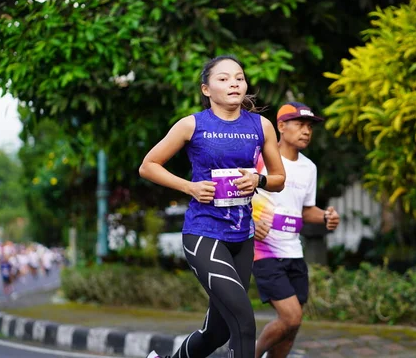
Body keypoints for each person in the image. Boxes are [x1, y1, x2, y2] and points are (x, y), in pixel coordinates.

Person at [140, 55, 286, 358]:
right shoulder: (192, 124)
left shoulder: (262, 126)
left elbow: (279, 179)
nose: (234, 83)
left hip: (242, 238)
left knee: (218, 330)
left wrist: (257, 180)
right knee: (244, 322)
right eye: (223, 78)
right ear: (206, 89)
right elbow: (148, 166)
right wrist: (189, 187)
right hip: (204, 233)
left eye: (239, 77)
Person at [251, 102, 340, 358]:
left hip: (294, 251)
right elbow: (237, 197)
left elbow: (305, 210)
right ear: (280, 126)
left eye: (310, 127)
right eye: (300, 124)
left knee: (293, 327)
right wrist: (250, 222)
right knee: (291, 317)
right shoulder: (259, 160)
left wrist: (324, 216)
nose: (306, 131)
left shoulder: (309, 168)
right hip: (264, 251)